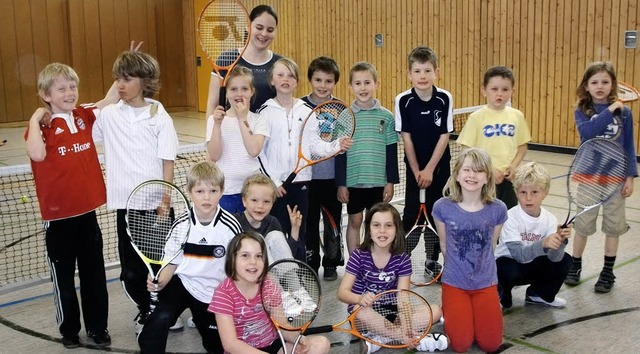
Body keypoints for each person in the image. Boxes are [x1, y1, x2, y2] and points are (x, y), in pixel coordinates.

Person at [25, 63, 117, 348]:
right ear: (46, 94)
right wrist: (35, 118)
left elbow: (110, 99)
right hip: (58, 220)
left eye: (72, 86)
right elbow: (37, 156)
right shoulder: (41, 127)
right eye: (61, 88)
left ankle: (98, 328)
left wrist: (123, 66)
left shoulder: (83, 115)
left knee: (94, 275)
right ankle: (69, 330)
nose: (69, 92)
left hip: (87, 215)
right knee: (64, 279)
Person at [92, 49, 180, 332]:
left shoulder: (158, 115)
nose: (121, 84)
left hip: (156, 206)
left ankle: (166, 312)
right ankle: (146, 309)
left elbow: (168, 160)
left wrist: (165, 200)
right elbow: (82, 121)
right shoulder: (108, 115)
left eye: (127, 78)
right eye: (118, 78)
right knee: (131, 272)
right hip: (126, 208)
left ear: (144, 81)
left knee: (162, 266)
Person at [137, 161, 242, 353]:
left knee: (216, 346)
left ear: (222, 191)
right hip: (183, 283)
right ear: (189, 192)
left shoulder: (230, 227)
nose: (206, 197)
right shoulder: (181, 224)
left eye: (213, 191)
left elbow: (238, 270)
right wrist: (159, 282)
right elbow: (171, 264)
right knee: (158, 320)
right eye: (200, 191)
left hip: (214, 292)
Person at [258, 57, 351, 263]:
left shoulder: (306, 111)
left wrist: (337, 145)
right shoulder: (264, 112)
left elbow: (315, 146)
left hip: (301, 183)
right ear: (271, 80)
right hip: (276, 186)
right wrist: (273, 182)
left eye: (290, 75)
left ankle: (300, 271)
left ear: (297, 81)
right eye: (280, 75)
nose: (285, 79)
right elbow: (259, 152)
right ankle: (278, 272)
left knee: (298, 230)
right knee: (277, 231)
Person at [564, 61, 637, 293]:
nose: (600, 86)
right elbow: (587, 133)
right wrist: (609, 111)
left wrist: (630, 176)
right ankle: (575, 266)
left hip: (615, 178)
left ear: (613, 85)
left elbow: (628, 145)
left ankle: (607, 272)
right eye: (594, 82)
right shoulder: (582, 111)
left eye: (605, 82)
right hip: (589, 177)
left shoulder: (625, 113)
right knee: (583, 225)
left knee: (613, 227)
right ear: (586, 86)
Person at [337, 203, 447, 353]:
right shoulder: (359, 255)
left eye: (388, 225)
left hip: (391, 313)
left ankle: (382, 339)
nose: (382, 231)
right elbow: (342, 293)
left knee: (435, 311)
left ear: (396, 229)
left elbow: (403, 297)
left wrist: (407, 324)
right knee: (361, 311)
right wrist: (359, 299)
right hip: (364, 312)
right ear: (369, 228)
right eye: (376, 225)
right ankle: (409, 338)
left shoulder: (402, 259)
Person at [432, 147, 507, 353]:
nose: (472, 175)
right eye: (466, 170)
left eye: (478, 171)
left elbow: (491, 246)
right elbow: (445, 246)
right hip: (455, 283)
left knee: (491, 344)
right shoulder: (442, 208)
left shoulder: (498, 209)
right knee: (460, 344)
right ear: (457, 174)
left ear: (487, 178)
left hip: (485, 283)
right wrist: (460, 273)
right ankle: (452, 311)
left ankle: (476, 313)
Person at [208, 231, 330, 354]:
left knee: (321, 344)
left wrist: (298, 339)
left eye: (259, 256)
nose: (253, 262)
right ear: (232, 259)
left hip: (274, 345)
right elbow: (230, 344)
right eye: (245, 255)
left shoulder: (268, 284)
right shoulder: (223, 294)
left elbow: (282, 324)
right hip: (242, 350)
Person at [394, 46, 453, 279]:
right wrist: (418, 170)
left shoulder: (444, 98)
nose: (422, 76)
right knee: (411, 215)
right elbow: (406, 139)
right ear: (409, 74)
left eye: (427, 70)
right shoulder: (403, 100)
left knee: (437, 213)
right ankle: (402, 261)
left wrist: (430, 169)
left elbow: (444, 136)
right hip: (414, 168)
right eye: (417, 71)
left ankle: (432, 260)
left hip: (439, 168)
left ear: (436, 72)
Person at [336, 61, 399, 254]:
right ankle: (355, 263)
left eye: (367, 82)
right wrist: (341, 183)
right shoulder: (345, 117)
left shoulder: (386, 117)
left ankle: (374, 260)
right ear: (350, 86)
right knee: (355, 220)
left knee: (376, 223)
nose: (363, 88)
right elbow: (339, 153)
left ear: (376, 84)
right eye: (358, 83)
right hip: (354, 180)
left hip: (378, 181)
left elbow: (391, 151)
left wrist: (391, 182)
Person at [495, 162, 573, 309]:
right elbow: (518, 255)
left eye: (534, 192)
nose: (528, 198)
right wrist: (543, 243)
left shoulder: (550, 219)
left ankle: (539, 294)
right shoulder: (510, 216)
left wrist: (561, 241)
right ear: (516, 192)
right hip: (510, 266)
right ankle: (501, 293)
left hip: (532, 266)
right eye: (523, 192)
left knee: (565, 261)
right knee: (504, 267)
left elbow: (554, 258)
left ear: (545, 193)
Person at [456, 65, 531, 209]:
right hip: (483, 180)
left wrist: (514, 166)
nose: (500, 94)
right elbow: (467, 150)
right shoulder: (476, 118)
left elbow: (522, 147)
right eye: (494, 89)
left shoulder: (517, 116)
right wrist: (489, 170)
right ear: (484, 90)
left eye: (505, 89)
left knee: (507, 216)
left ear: (512, 92)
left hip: (508, 180)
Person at [300, 56, 345, 280]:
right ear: (310, 80)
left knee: (332, 221)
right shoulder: (300, 106)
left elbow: (344, 144)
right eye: (318, 79)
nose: (323, 85)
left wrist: (342, 181)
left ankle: (331, 262)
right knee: (308, 222)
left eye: (328, 81)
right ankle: (310, 261)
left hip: (331, 178)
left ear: (335, 82)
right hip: (306, 177)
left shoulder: (340, 108)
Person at [206, 66, 269, 213]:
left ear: (252, 91)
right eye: (233, 89)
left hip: (252, 193)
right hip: (225, 192)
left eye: (244, 89)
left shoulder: (259, 120)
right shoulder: (214, 120)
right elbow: (214, 156)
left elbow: (253, 151)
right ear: (226, 93)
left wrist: (242, 119)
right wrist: (217, 125)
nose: (239, 94)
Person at [206, 4, 282, 117]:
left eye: (270, 30)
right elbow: (212, 106)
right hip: (232, 132)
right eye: (259, 27)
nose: (264, 34)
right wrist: (210, 133)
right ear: (248, 26)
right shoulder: (226, 60)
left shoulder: (280, 64)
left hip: (269, 133)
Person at [236, 173, 305, 262]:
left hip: (273, 273)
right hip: (245, 272)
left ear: (273, 203)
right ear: (244, 201)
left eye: (266, 201)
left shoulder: (273, 222)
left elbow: (285, 258)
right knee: (258, 240)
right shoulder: (235, 222)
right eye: (254, 200)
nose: (260, 206)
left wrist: (295, 228)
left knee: (275, 236)